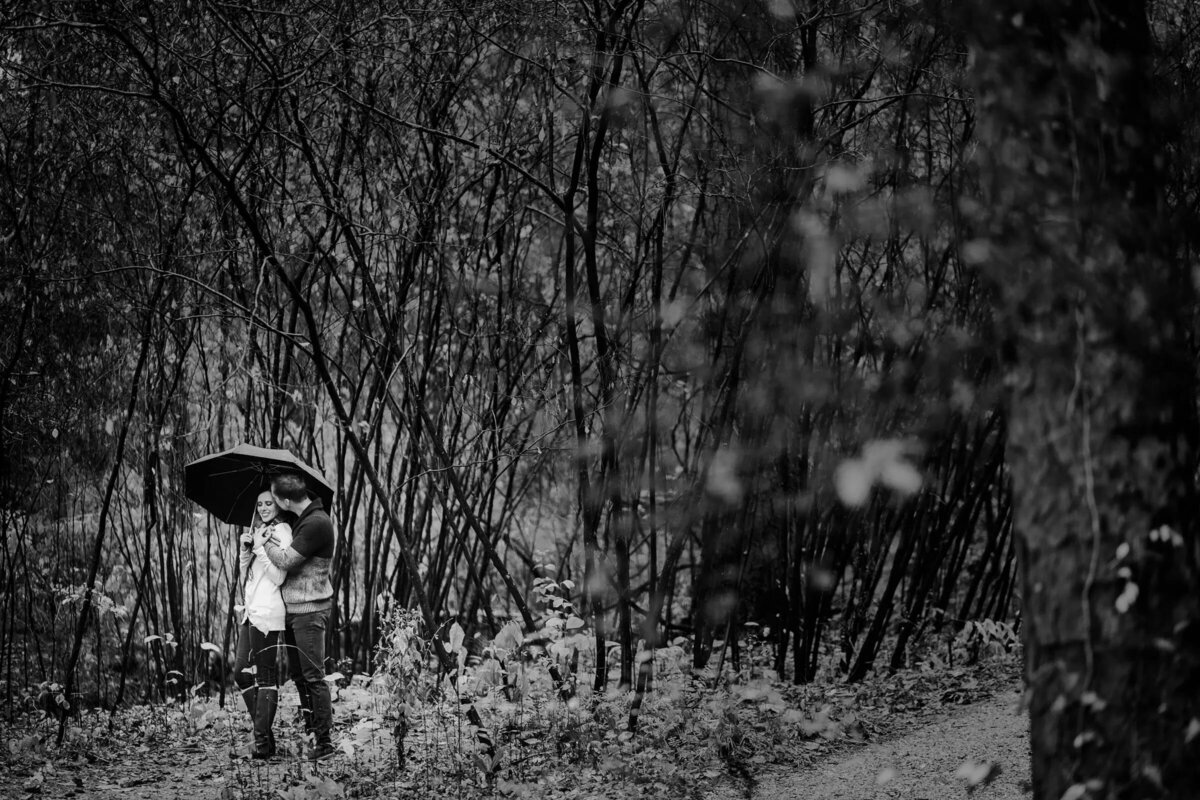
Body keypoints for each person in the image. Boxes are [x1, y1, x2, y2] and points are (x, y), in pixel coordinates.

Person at [256, 472, 336, 760]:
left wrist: (262, 542)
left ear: (286, 500)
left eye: (275, 498)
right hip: (294, 610)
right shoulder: (303, 520)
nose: (273, 503)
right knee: (300, 676)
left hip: (310, 611)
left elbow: (287, 560)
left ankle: (324, 742)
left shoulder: (316, 523)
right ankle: (312, 732)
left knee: (314, 677)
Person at [232, 489, 293, 759]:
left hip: (268, 612)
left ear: (278, 506)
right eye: (260, 504)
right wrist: (246, 549)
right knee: (240, 673)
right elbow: (247, 572)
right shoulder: (257, 530)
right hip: (250, 611)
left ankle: (261, 745)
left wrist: (259, 547)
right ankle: (265, 741)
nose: (264, 507)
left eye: (269, 503)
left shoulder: (283, 531)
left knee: (265, 677)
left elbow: (280, 576)